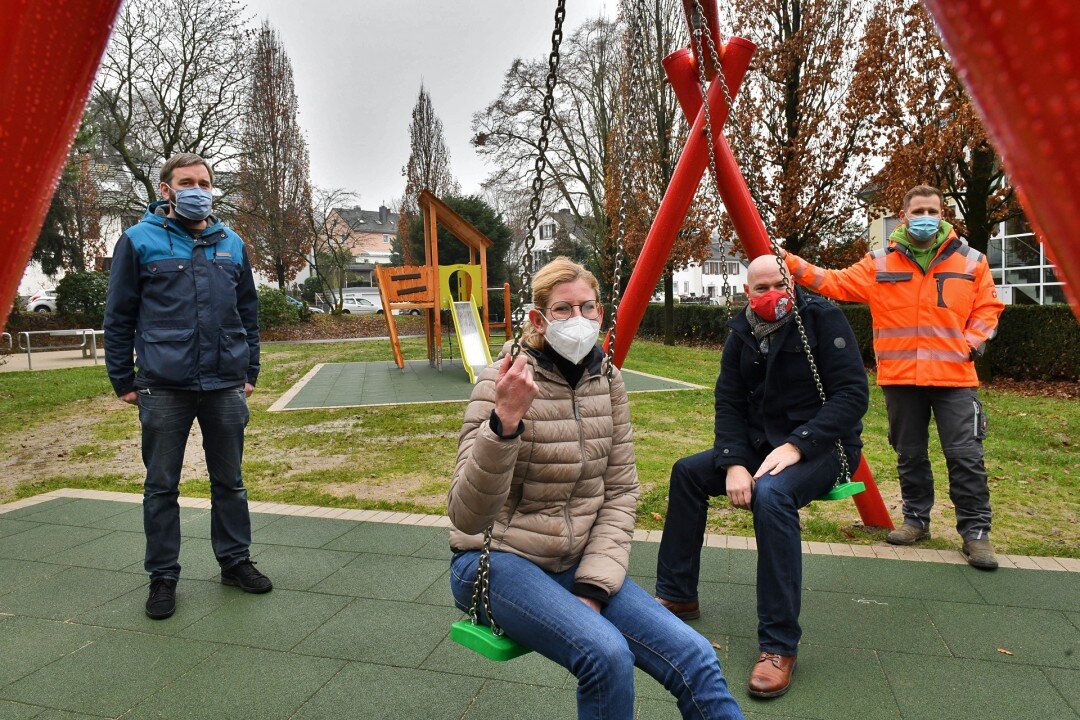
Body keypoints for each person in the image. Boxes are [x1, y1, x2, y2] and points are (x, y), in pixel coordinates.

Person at [448, 257, 745, 720]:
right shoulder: (501, 382)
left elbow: (621, 490)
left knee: (696, 656)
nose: (578, 320)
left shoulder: (606, 381)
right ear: (538, 320)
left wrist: (594, 585)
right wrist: (504, 422)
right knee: (605, 655)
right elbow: (468, 517)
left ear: (601, 314)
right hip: (497, 562)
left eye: (587, 308)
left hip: (578, 562)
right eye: (563, 310)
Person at [655, 255, 869, 700]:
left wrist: (799, 444)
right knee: (688, 473)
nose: (770, 295)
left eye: (778, 285)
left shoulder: (823, 319)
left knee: (771, 494)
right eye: (760, 288)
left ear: (790, 285)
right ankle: (677, 594)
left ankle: (778, 645)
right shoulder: (741, 332)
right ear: (746, 292)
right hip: (759, 443)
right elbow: (728, 400)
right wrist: (734, 461)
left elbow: (852, 395)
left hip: (824, 447)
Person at [780, 185, 1005, 569]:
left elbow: (988, 308)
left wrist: (969, 345)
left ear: (943, 213)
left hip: (955, 378)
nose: (925, 217)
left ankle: (975, 533)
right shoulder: (880, 263)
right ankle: (916, 520)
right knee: (910, 454)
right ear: (904, 216)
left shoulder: (971, 261)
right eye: (918, 210)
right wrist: (786, 261)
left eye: (932, 210)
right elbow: (831, 281)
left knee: (965, 456)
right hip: (902, 378)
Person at [104, 153, 272, 621]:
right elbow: (118, 317)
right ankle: (163, 578)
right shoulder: (138, 242)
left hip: (224, 384)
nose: (196, 189)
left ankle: (235, 562)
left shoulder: (231, 243)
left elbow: (248, 313)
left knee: (231, 482)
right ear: (166, 189)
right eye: (186, 182)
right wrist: (123, 379)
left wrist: (249, 371)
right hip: (163, 386)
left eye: (204, 182)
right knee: (161, 487)